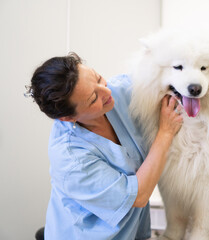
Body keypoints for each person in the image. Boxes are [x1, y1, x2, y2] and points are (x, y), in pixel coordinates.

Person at [26, 52, 183, 239]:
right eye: (93, 98)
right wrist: (165, 132)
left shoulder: (121, 92)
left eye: (98, 78)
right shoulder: (71, 160)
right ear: (68, 118)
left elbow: (170, 75)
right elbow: (139, 195)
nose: (107, 92)